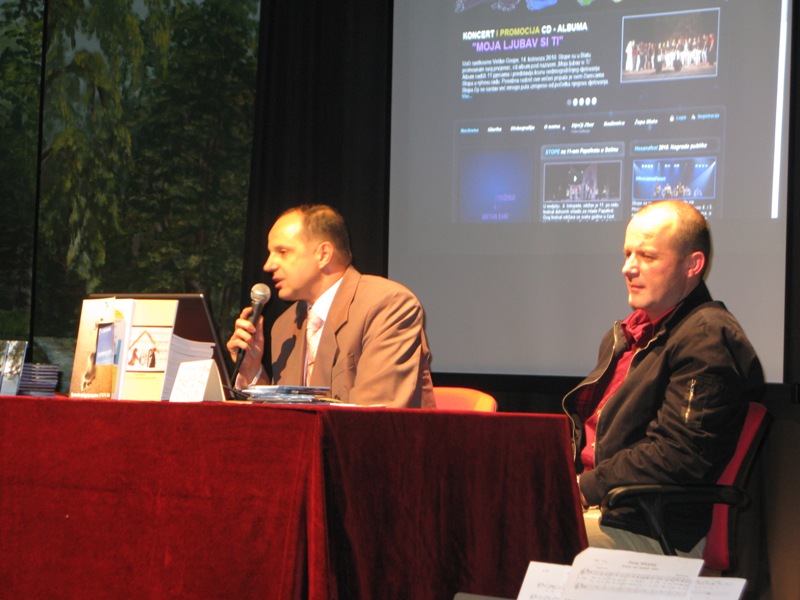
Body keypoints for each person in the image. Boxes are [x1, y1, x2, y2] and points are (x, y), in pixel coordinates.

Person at [563, 199, 764, 557]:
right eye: (627, 254)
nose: (628, 268)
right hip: (605, 512)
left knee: (514, 535)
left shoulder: (706, 338)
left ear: (692, 265)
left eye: (647, 256)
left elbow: (679, 454)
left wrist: (585, 486)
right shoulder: (625, 336)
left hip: (650, 526)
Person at [226, 204, 435, 408]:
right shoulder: (285, 325)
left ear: (324, 254)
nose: (268, 265)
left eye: (283, 251)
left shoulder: (387, 305)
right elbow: (283, 416)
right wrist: (252, 371)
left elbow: (376, 415)